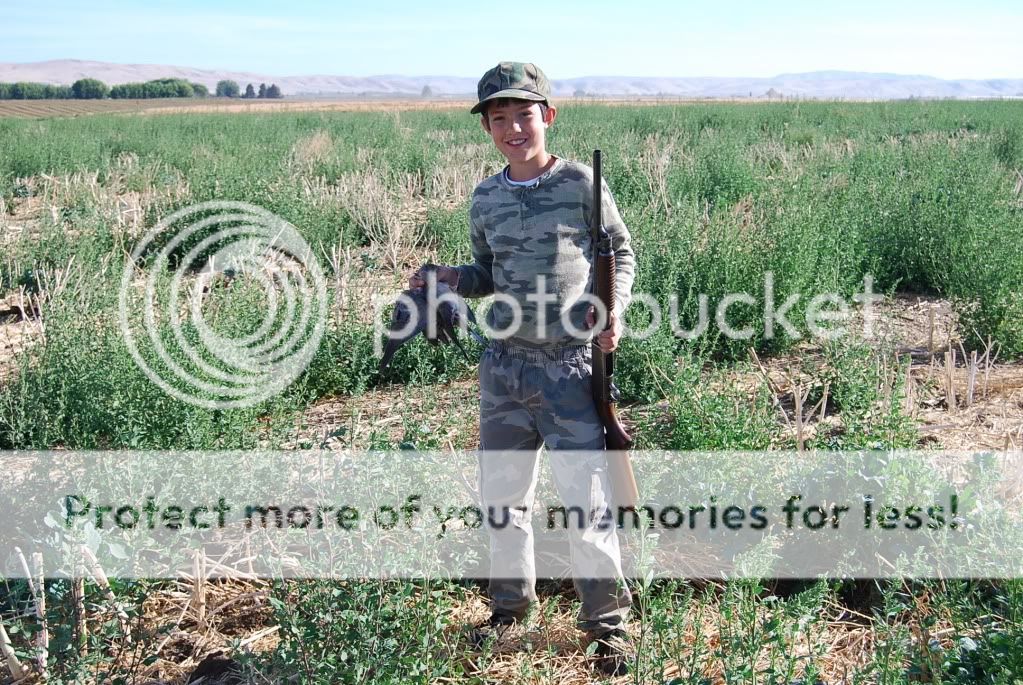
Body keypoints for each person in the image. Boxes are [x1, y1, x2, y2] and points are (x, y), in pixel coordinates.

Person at [409, 61, 636, 676]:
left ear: (548, 117)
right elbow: (485, 273)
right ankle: (511, 613)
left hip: (570, 369)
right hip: (504, 368)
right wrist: (450, 278)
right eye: (499, 118)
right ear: (487, 128)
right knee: (503, 502)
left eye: (523, 114)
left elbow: (618, 250)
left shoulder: (581, 185)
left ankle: (607, 629)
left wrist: (614, 310)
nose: (513, 127)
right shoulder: (485, 196)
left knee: (586, 505)